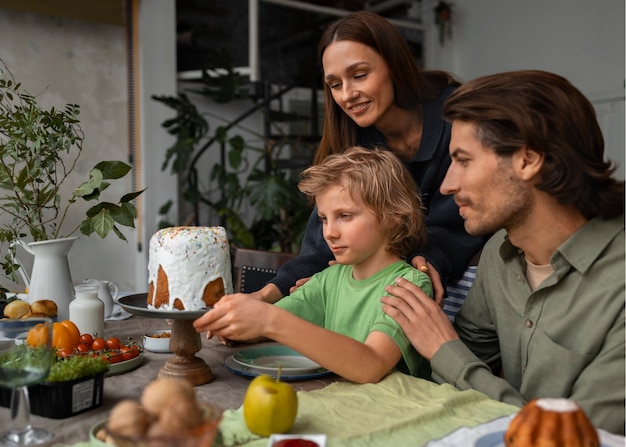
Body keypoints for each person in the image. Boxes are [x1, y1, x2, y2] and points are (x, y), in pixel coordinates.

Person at [380, 70, 625, 434]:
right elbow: (449, 375)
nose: (447, 186)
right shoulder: (499, 251)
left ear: (528, 160)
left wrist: (447, 352)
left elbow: (575, 439)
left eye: (462, 160)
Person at [242, 11, 486, 306]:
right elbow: (321, 244)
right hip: (385, 289)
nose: (347, 95)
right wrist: (267, 295)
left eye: (359, 75)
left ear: (394, 66)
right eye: (335, 84)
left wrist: (412, 259)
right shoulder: (350, 141)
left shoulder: (457, 118)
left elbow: (461, 225)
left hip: (463, 287)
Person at [194, 146, 433, 383]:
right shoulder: (329, 278)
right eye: (324, 219)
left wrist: (266, 320)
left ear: (393, 216)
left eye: (345, 216)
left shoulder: (410, 284)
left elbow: (372, 365)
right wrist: (241, 328)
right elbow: (274, 321)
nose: (329, 233)